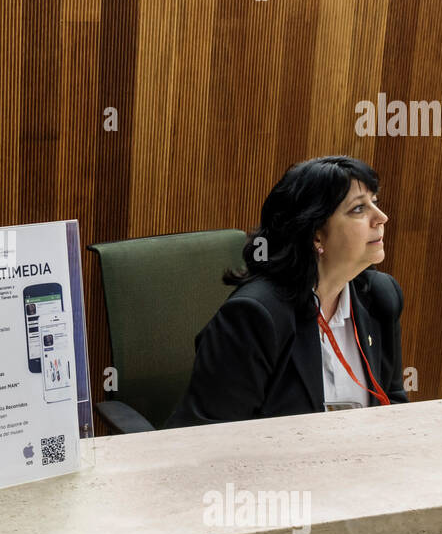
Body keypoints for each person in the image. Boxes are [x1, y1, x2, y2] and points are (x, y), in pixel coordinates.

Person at [167, 155, 407, 428]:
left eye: (374, 203)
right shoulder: (255, 316)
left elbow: (394, 405)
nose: (381, 218)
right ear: (317, 234)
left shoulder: (380, 296)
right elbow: (210, 437)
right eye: (358, 209)